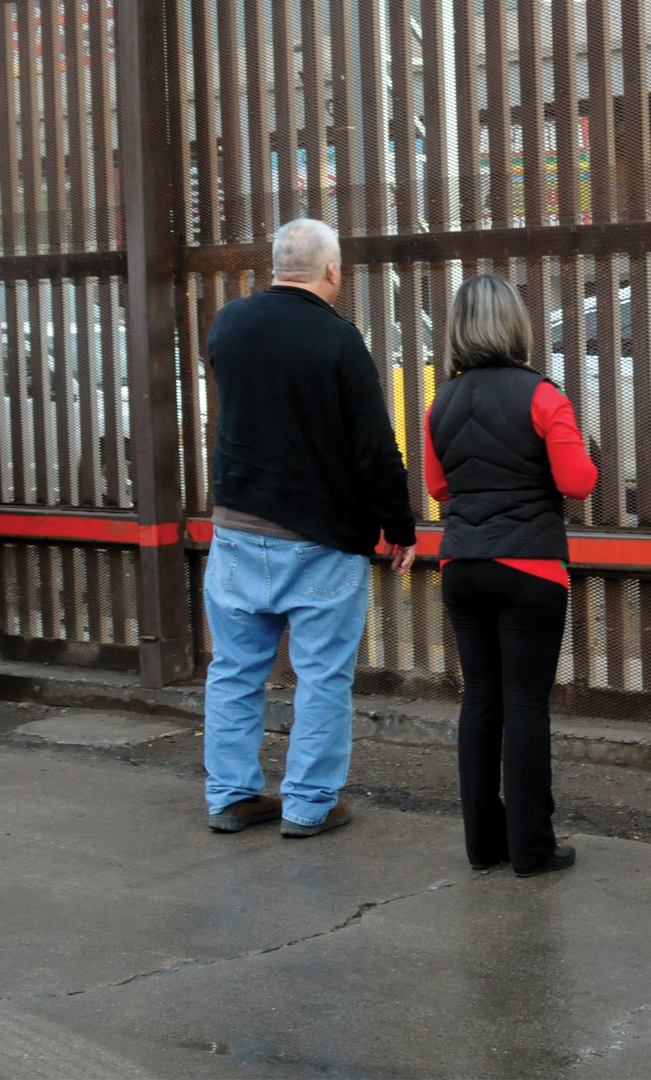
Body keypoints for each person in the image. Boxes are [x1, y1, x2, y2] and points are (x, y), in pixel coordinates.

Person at [202, 218, 418, 838]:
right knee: (322, 677)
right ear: (330, 270)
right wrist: (398, 525)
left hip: (238, 530)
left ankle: (231, 795)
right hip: (320, 541)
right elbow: (376, 446)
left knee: (236, 671)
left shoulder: (229, 325)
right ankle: (308, 804)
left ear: (275, 265)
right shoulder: (338, 340)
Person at [423, 273, 595, 878]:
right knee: (525, 702)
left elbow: (438, 487)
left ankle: (483, 845)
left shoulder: (440, 402)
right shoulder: (544, 396)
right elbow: (578, 481)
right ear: (517, 325)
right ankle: (532, 847)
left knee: (481, 701)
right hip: (529, 568)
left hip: (461, 564)